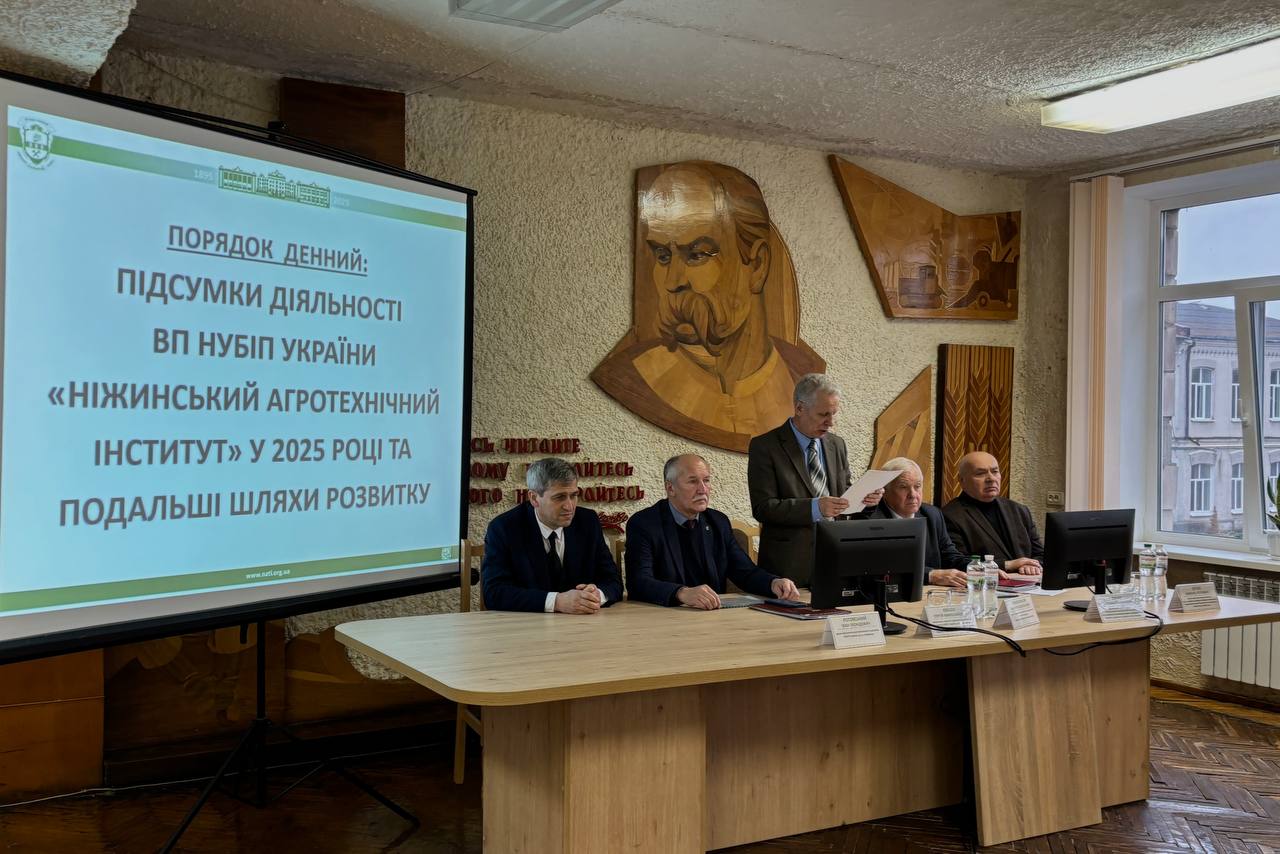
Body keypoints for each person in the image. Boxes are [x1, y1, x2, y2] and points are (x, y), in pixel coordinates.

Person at [591, 161, 824, 452]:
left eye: (697, 254)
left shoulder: (801, 376)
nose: (673, 282)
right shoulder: (633, 377)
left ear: (757, 265)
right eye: (663, 256)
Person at [747, 373, 881, 586]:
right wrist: (815, 508)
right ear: (800, 408)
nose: (831, 423)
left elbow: (844, 496)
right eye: (823, 414)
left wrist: (866, 500)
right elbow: (763, 508)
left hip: (836, 561)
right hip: (789, 567)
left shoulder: (837, 444)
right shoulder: (765, 446)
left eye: (834, 414)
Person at [626, 453, 801, 609]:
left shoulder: (718, 521)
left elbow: (744, 571)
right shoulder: (644, 524)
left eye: (707, 480)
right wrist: (681, 593)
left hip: (712, 615)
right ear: (670, 488)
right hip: (664, 617)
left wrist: (773, 583)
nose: (703, 489)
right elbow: (638, 582)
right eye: (693, 481)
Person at [482, 457, 624, 613]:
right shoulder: (504, 528)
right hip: (527, 624)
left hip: (583, 623)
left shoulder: (588, 521)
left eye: (573, 495)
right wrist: (557, 602)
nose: (569, 506)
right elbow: (494, 593)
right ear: (534, 498)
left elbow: (613, 582)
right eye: (559, 497)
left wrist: (596, 595)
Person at [855, 457, 969, 588]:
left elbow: (950, 556)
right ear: (884, 491)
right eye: (903, 487)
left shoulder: (932, 514)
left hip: (931, 594)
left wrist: (978, 568)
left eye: (917, 486)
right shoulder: (870, 520)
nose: (913, 494)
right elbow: (881, 566)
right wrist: (930, 575)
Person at [941, 451, 1043, 576]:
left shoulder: (1019, 510)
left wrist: (1031, 565)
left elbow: (1041, 554)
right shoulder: (950, 515)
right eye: (980, 473)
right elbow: (956, 562)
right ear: (962, 481)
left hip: (1027, 582)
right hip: (984, 584)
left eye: (995, 472)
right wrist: (1009, 564)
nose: (991, 479)